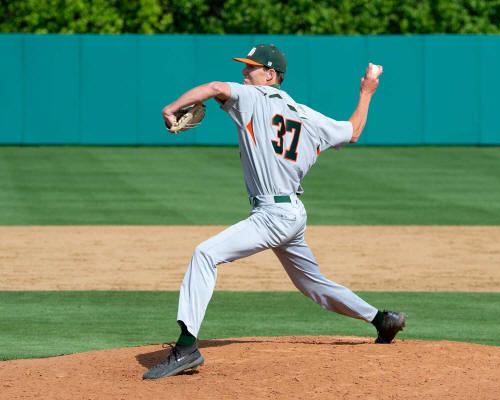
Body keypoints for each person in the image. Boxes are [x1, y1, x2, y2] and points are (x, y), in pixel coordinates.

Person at [142, 44, 407, 380]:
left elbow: (214, 87)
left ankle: (186, 348)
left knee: (205, 254)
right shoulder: (306, 115)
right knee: (312, 284)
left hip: (272, 215)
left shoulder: (254, 97)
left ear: (270, 75)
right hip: (292, 213)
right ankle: (382, 320)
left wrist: (171, 108)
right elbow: (353, 131)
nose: (243, 72)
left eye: (251, 67)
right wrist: (367, 92)